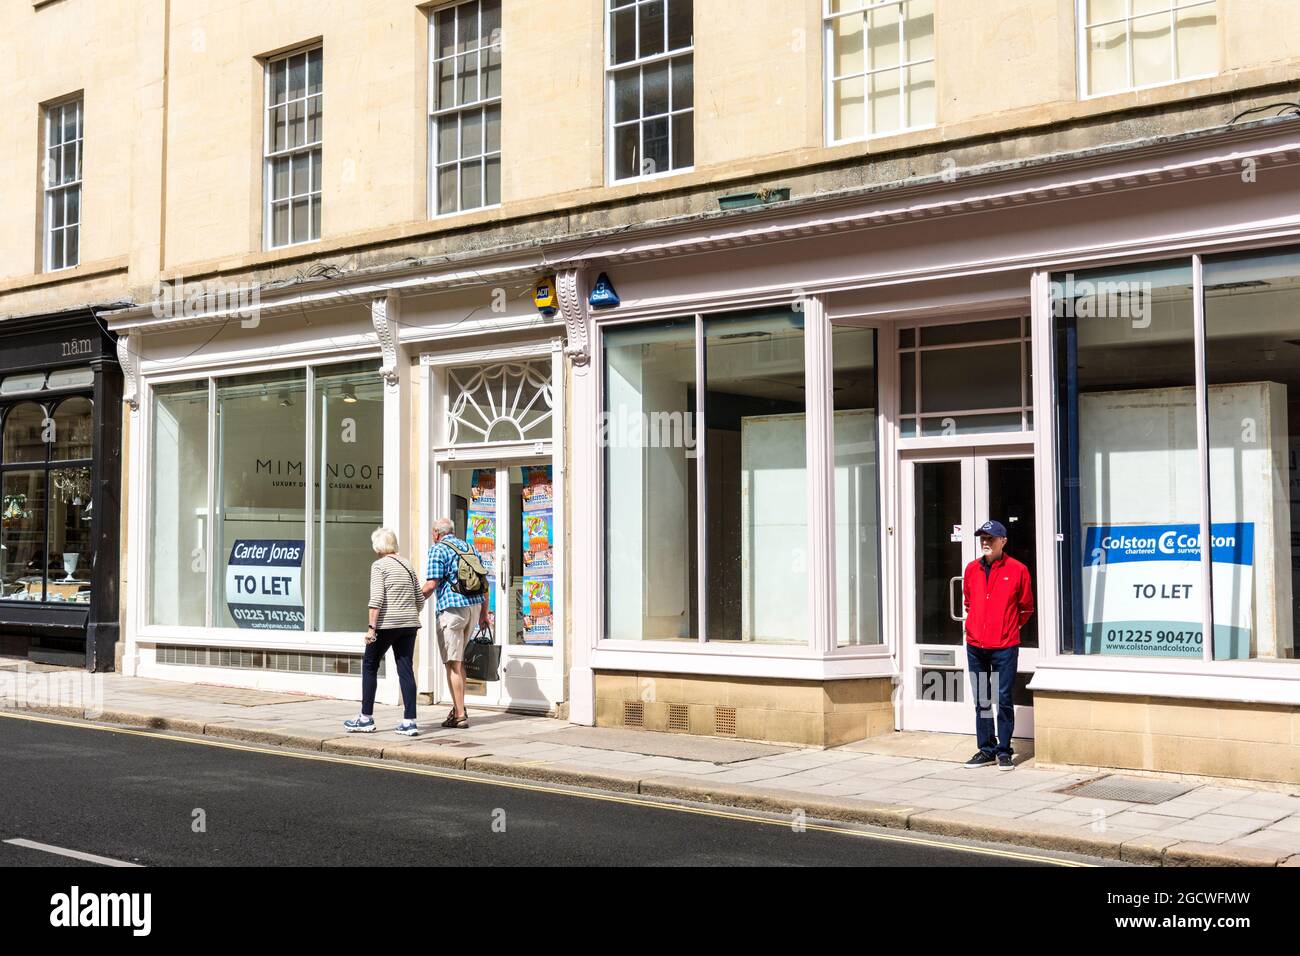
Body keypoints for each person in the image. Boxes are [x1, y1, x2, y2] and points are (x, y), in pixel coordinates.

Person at [962, 519, 1034, 771]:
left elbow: (1026, 607)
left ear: (1003, 541)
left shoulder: (1018, 570)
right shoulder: (971, 569)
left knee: (1003, 698)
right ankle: (986, 749)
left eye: (990, 538)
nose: (985, 542)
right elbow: (968, 602)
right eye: (982, 538)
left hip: (1004, 646)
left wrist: (1008, 626)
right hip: (976, 646)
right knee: (981, 699)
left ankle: (1004, 750)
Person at [344, 528, 425, 736]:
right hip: (409, 624)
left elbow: (377, 599)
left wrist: (371, 629)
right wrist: (408, 614)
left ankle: (366, 718)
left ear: (377, 545)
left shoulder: (379, 566)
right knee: (405, 669)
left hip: (387, 625)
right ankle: (409, 721)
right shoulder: (407, 564)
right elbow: (419, 598)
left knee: (370, 664)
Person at [422, 517, 486, 729]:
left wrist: (412, 600)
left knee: (453, 664)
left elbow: (431, 584)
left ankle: (459, 715)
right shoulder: (469, 547)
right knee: (458, 662)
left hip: (452, 610)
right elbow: (485, 584)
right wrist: (484, 614)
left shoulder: (438, 549)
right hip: (474, 608)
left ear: (436, 533)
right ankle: (459, 707)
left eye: (432, 533)